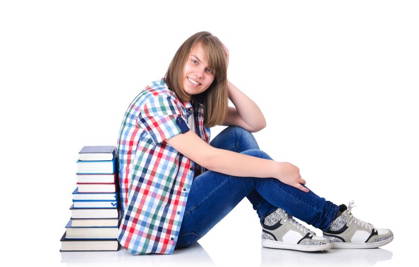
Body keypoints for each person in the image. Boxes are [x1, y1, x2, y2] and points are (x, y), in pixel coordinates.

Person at [116, 31, 393, 255]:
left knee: (239, 139)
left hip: (179, 206)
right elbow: (208, 159)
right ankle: (332, 221)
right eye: (195, 62)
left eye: (210, 70)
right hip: (164, 228)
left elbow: (254, 122)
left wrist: (223, 79)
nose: (199, 74)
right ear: (180, 59)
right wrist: (275, 169)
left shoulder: (191, 103)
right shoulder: (157, 101)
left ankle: (274, 223)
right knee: (256, 162)